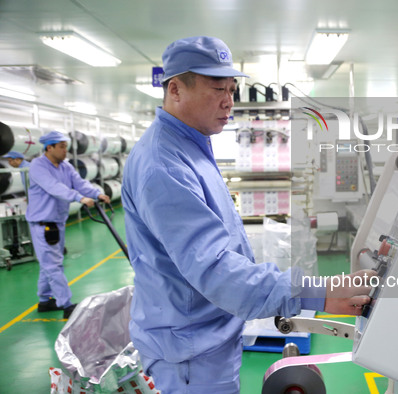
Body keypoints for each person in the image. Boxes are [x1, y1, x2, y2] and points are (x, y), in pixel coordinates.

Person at [122, 36, 375, 393]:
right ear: (175, 89)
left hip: (205, 335)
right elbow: (215, 269)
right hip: (189, 355)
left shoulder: (191, 146)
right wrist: (318, 292)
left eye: (231, 89)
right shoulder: (164, 165)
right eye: (216, 89)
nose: (229, 101)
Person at [26, 131, 111, 319]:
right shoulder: (38, 166)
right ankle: (66, 305)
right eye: (62, 147)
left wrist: (97, 194)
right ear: (49, 147)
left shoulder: (66, 167)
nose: (66, 151)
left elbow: (79, 183)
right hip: (43, 223)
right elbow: (54, 187)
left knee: (49, 264)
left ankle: (45, 301)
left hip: (58, 221)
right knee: (53, 265)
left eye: (66, 146)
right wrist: (79, 198)